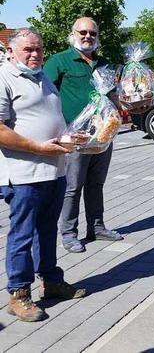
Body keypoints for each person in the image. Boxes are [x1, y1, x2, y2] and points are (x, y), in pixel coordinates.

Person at [0, 28, 86, 322]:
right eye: (28, 50)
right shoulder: (4, 78)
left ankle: (50, 281)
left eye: (39, 49)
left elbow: (50, 119)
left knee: (47, 231)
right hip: (23, 174)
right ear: (10, 51)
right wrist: (37, 147)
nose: (35, 54)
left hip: (53, 170)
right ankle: (19, 294)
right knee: (23, 234)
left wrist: (70, 136)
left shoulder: (42, 77)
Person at [44, 17, 124, 253]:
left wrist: (127, 105)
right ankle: (68, 233)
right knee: (72, 186)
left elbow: (112, 96)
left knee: (96, 183)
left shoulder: (104, 64)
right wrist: (59, 131)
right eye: (83, 32)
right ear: (73, 34)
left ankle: (97, 227)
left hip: (102, 136)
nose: (88, 36)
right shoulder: (59, 61)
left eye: (92, 33)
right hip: (75, 136)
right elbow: (45, 97)